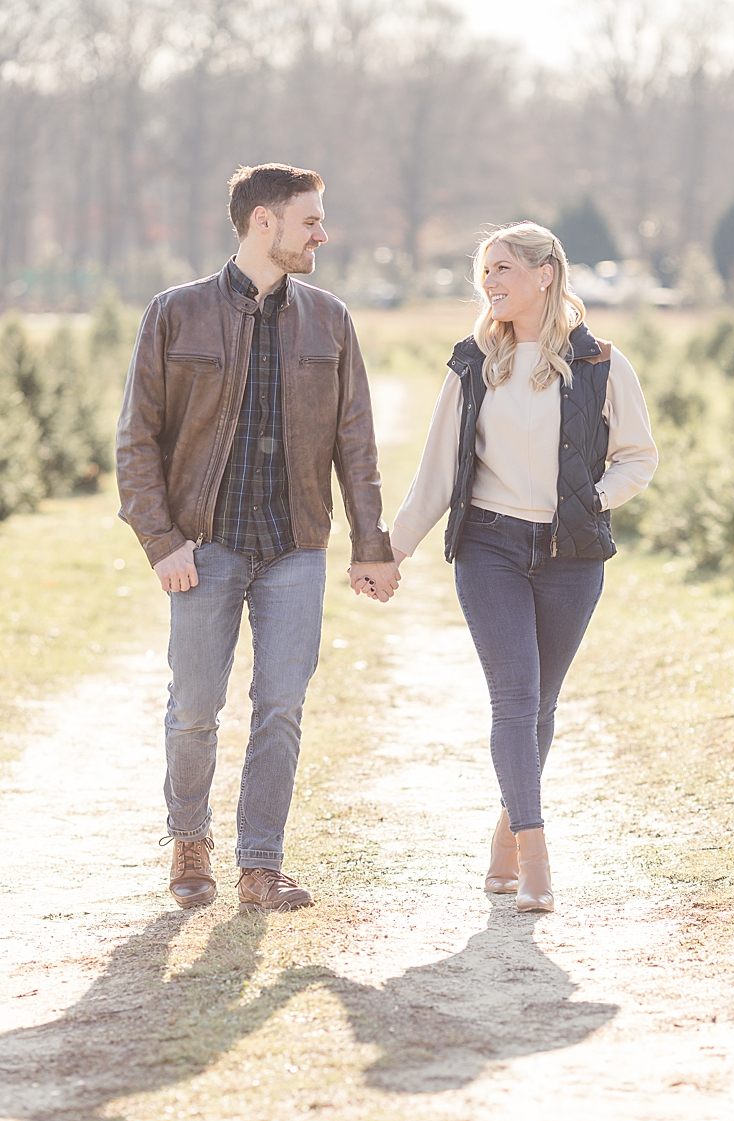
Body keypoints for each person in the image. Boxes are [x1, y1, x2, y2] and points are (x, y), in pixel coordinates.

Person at [116, 163, 400, 913]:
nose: (322, 234)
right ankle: (190, 841)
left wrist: (370, 544)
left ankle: (260, 865)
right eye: (311, 220)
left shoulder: (330, 318)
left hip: (295, 547)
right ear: (263, 223)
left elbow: (356, 443)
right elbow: (137, 438)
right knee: (195, 709)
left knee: (281, 705)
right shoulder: (176, 313)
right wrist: (161, 540)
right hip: (204, 545)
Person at [389, 221, 657, 914]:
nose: (491, 283)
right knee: (513, 698)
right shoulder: (474, 362)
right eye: (484, 273)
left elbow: (639, 457)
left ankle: (506, 833)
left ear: (545, 273)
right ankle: (537, 855)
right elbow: (437, 471)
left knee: (541, 704)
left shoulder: (601, 363)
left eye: (503, 268)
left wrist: (593, 498)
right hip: (490, 549)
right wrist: (393, 548)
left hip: (572, 558)